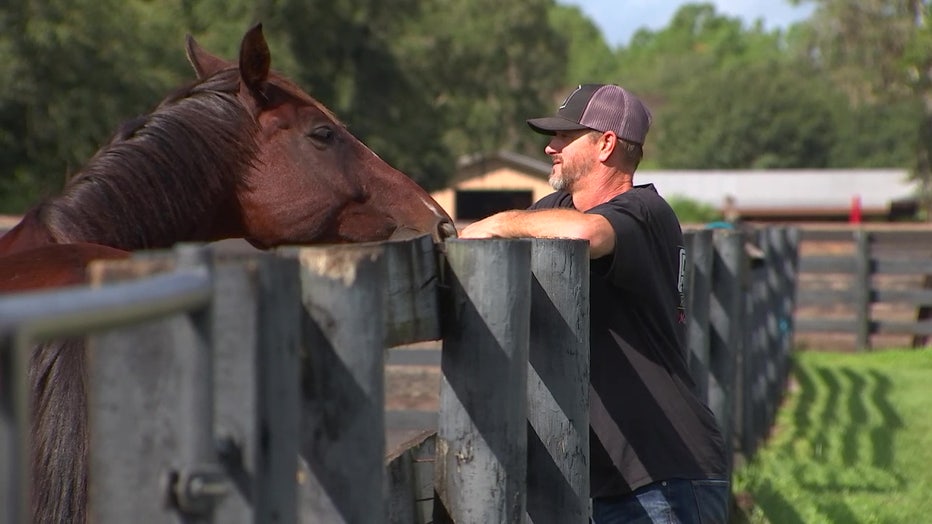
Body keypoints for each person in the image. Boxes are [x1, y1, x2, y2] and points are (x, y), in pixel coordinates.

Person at [460, 84, 729, 523]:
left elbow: (587, 234)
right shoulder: (557, 208)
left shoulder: (646, 212)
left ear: (605, 144)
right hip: (602, 479)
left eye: (565, 137)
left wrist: (498, 223)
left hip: (659, 475)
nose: (550, 147)